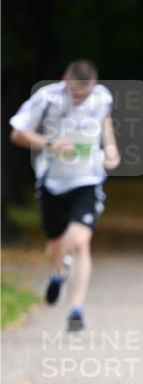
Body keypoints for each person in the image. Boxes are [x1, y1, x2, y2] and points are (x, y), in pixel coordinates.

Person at [9, 60, 120, 332]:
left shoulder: (102, 97)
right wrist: (49, 143)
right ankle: (59, 272)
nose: (80, 100)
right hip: (52, 182)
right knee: (55, 245)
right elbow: (17, 134)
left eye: (85, 94)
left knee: (81, 242)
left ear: (94, 85)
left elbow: (105, 122)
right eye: (75, 94)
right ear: (64, 81)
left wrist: (111, 149)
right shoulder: (46, 98)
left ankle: (76, 310)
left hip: (87, 180)